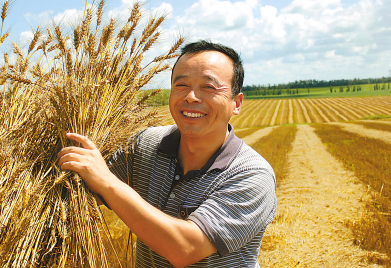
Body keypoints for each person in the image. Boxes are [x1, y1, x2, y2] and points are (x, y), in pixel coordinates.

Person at [58, 40, 277, 267]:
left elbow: (185, 248)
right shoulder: (144, 144)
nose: (191, 96)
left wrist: (107, 182)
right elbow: (84, 187)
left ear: (237, 103)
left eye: (209, 87)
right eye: (181, 85)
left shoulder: (252, 174)